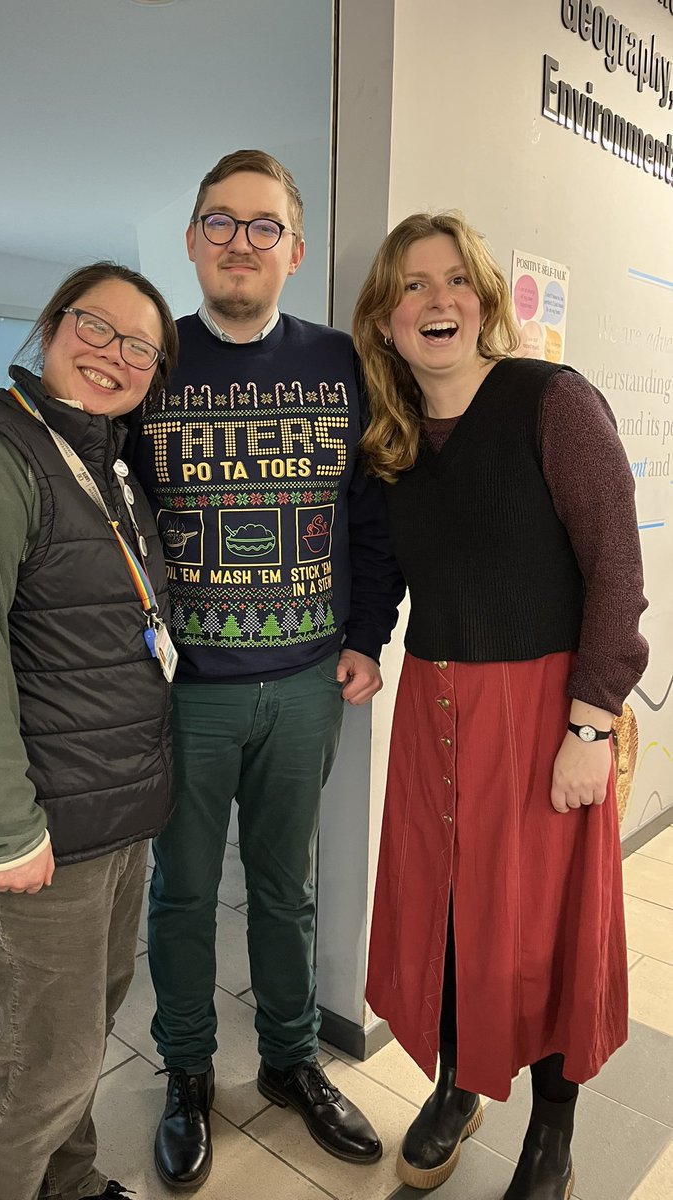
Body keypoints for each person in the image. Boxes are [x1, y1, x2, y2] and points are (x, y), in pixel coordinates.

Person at [352, 212, 649, 1200]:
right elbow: (388, 565)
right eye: (411, 287)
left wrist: (590, 723)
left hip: (544, 716)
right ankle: (456, 1085)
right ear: (387, 319)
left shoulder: (550, 402)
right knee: (444, 917)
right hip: (437, 714)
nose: (435, 302)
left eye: (453, 282)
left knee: (546, 933)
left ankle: (552, 1137)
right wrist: (361, 643)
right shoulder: (392, 434)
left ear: (482, 301)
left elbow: (617, 570)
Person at [130, 149, 403, 1189]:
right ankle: (188, 1072)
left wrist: (368, 636)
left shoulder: (342, 363)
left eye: (262, 225)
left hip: (302, 684)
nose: (241, 242)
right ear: (195, 239)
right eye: (220, 222)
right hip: (186, 690)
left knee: (286, 888)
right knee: (185, 892)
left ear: (295, 247)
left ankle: (291, 1060)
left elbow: (371, 519)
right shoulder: (152, 363)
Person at [0, 262, 179, 1200]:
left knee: (80, 1033)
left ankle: (71, 1185)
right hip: (39, 823)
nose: (114, 356)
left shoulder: (106, 464)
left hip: (107, 806)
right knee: (47, 1063)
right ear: (52, 327)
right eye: (96, 329)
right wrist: (2, 823)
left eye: (140, 346)